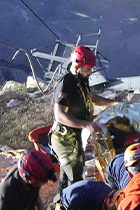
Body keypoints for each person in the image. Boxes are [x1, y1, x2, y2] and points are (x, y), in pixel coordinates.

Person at [51, 46, 118, 187]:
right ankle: (69, 205)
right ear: (77, 66)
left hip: (79, 135)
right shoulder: (66, 83)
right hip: (65, 139)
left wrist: (113, 103)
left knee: (71, 175)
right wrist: (86, 124)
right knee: (76, 179)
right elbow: (59, 115)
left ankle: (64, 197)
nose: (91, 72)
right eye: (88, 69)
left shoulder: (82, 78)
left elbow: (90, 96)